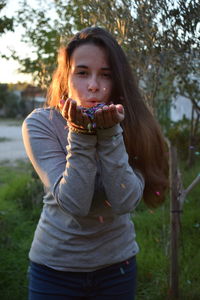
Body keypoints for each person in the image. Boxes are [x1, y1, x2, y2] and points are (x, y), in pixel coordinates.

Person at [22, 26, 168, 300]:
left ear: (118, 81)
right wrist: (81, 132)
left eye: (106, 75)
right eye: (82, 72)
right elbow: (74, 203)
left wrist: (111, 133)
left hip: (117, 268)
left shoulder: (134, 123)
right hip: (54, 270)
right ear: (66, 78)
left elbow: (125, 201)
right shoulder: (41, 123)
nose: (93, 85)